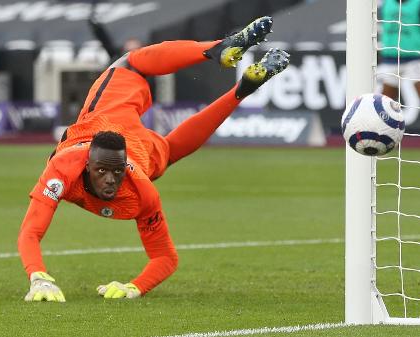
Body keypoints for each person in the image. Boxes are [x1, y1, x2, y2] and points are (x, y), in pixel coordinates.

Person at [18, 16, 290, 302]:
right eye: (102, 171)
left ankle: (219, 49)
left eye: (116, 172)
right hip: (118, 132)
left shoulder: (138, 187)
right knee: (168, 149)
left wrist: (133, 287)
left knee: (130, 63)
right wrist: (39, 277)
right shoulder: (66, 169)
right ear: (86, 166)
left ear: (125, 168)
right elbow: (30, 233)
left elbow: (166, 258)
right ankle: (239, 87)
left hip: (123, 134)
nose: (110, 180)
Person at [378, 0, 420, 100]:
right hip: (390, 58)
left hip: (413, 58)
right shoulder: (385, 3)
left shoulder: (417, 3)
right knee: (386, 101)